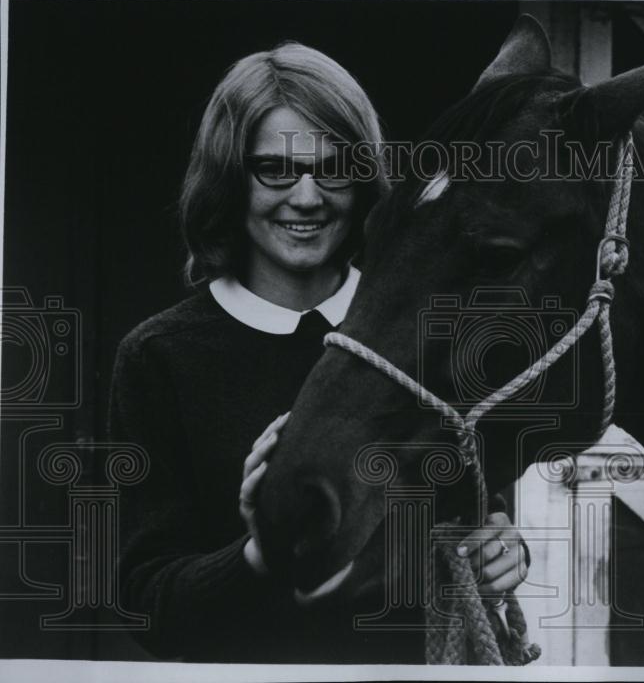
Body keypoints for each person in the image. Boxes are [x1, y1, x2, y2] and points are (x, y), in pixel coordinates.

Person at [109, 42, 529, 664]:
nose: (306, 197)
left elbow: (472, 514)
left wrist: (499, 552)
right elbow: (152, 609)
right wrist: (260, 549)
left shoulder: (424, 333)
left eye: (332, 168)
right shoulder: (158, 357)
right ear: (230, 175)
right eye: (275, 169)